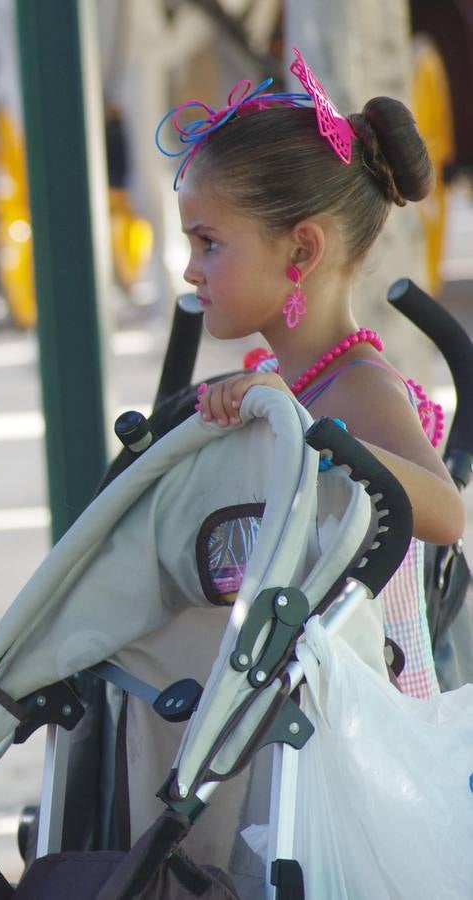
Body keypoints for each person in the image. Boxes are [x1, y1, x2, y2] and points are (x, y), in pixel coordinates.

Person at [170, 49, 464, 695]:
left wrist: (303, 426)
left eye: (208, 243)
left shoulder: (359, 384)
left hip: (361, 731)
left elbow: (445, 512)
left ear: (302, 248)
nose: (191, 269)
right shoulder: (285, 375)